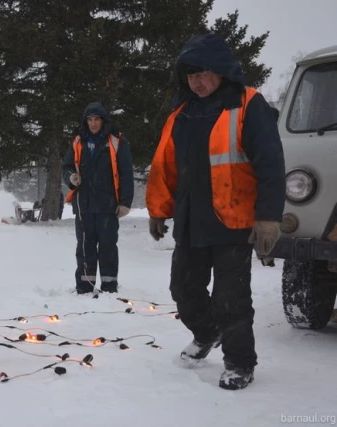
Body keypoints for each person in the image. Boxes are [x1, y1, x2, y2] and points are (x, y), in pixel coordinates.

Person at [145, 34, 285, 390]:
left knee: (230, 298)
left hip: (232, 221)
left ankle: (240, 362)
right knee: (183, 290)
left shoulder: (247, 104)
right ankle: (207, 334)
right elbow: (165, 166)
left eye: (204, 73)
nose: (197, 81)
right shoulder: (182, 111)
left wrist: (268, 217)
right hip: (192, 220)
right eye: (191, 75)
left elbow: (270, 164)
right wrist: (159, 210)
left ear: (222, 71)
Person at [62, 102, 134, 295]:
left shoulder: (117, 142)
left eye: (97, 119)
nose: (93, 124)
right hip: (83, 204)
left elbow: (126, 173)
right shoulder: (78, 141)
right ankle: (85, 287)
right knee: (85, 247)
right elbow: (67, 166)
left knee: (108, 246)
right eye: (90, 120)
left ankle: (109, 287)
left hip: (108, 204)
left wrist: (125, 202)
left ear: (103, 121)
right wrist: (70, 177)